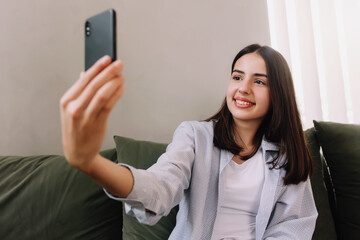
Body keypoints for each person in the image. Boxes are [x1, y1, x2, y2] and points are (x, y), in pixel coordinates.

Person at [60, 44, 318, 239]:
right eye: (237, 77)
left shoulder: (287, 156)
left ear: (279, 94)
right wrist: (91, 163)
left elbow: (293, 226)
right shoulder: (195, 136)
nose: (243, 88)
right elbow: (159, 186)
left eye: (259, 81)